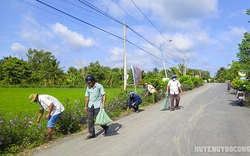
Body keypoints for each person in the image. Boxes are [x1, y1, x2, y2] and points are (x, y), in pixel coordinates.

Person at [84, 74, 109, 140]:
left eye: (89, 82)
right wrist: (86, 106)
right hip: (90, 105)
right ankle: (92, 134)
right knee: (90, 120)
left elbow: (104, 95)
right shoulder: (88, 88)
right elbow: (87, 97)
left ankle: (105, 127)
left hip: (98, 105)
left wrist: (103, 103)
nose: (88, 84)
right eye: (87, 83)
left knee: (99, 120)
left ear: (93, 81)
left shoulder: (99, 86)